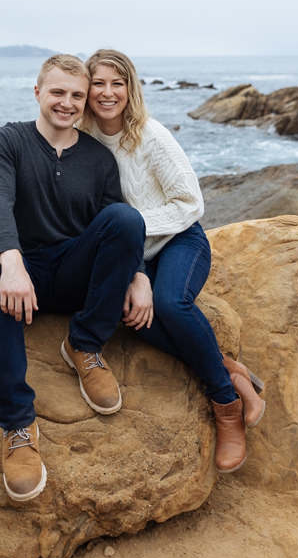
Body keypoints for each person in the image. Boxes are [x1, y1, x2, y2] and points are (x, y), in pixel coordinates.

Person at [78, 48, 265, 475]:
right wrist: (132, 271)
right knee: (131, 316)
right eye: (99, 83)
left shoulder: (151, 135)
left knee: (170, 304)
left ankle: (225, 404)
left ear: (131, 88)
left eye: (117, 83)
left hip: (182, 240)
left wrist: (130, 225)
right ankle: (231, 370)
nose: (108, 93)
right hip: (132, 253)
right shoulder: (81, 142)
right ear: (86, 89)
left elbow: (191, 203)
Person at [0, 54, 146, 502]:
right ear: (38, 92)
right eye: (57, 93)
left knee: (126, 219)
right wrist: (11, 261)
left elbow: (116, 229)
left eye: (76, 95)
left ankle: (84, 346)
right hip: (24, 279)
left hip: (72, 272)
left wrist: (139, 275)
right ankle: (17, 424)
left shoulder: (97, 159)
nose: (67, 103)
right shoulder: (7, 142)